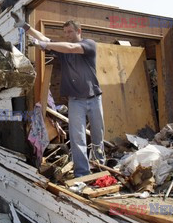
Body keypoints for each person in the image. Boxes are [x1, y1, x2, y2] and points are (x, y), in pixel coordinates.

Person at [12, 13, 105, 177]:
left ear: (79, 31)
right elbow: (45, 39)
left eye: (70, 32)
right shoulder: (63, 51)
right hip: (75, 101)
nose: (67, 35)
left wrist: (43, 44)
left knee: (98, 136)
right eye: (65, 33)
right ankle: (82, 174)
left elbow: (69, 47)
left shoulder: (89, 45)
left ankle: (100, 167)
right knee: (78, 139)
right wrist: (26, 27)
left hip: (94, 99)